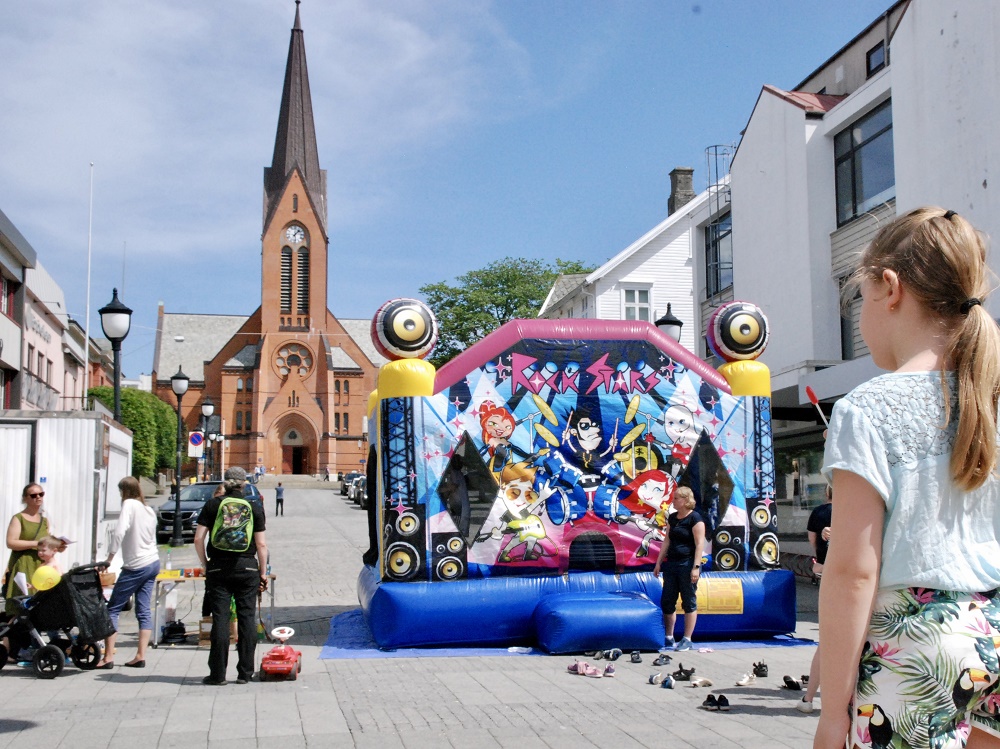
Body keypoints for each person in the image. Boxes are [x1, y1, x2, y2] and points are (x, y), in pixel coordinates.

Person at [815, 208, 1000, 749]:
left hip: (917, 638)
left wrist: (832, 713)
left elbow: (852, 570)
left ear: (889, 289)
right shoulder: (990, 398)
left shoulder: (867, 409)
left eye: (860, 299)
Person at [195, 466, 268, 685]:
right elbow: (261, 544)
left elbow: (198, 539)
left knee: (221, 619)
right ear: (244, 483)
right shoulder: (254, 507)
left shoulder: (213, 505)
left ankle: (217, 675)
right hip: (247, 569)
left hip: (218, 568)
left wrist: (205, 564)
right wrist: (263, 573)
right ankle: (245, 673)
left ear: (225, 482)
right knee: (246, 618)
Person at [95, 476, 160, 669]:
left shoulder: (129, 505)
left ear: (123, 491)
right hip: (152, 562)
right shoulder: (149, 510)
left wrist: (109, 559)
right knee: (143, 609)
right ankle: (140, 655)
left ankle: (108, 657)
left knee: (113, 608)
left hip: (136, 565)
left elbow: (119, 531)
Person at [652, 486, 705, 652]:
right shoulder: (673, 518)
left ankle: (687, 638)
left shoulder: (695, 519)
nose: (673, 501)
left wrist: (695, 567)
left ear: (685, 500)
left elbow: (699, 545)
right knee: (668, 599)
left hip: (687, 563)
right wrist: (659, 562)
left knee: (688, 600)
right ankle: (669, 635)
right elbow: (666, 541)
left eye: (676, 498)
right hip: (672, 563)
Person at [4, 483, 65, 617]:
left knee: (38, 605)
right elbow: (11, 542)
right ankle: (11, 635)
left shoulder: (44, 520)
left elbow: (46, 544)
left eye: (41, 494)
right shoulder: (18, 518)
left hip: (40, 564)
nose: (38, 497)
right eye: (33, 495)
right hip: (23, 564)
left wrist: (57, 547)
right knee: (19, 607)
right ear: (25, 498)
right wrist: (36, 543)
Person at [798, 485, 833, 714]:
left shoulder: (820, 513)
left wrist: (822, 562)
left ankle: (809, 698)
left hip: (833, 576)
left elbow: (813, 541)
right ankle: (810, 697)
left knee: (828, 640)